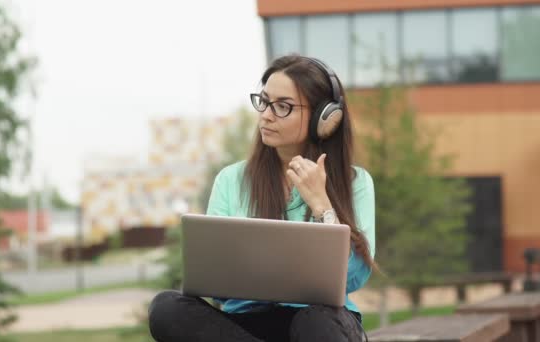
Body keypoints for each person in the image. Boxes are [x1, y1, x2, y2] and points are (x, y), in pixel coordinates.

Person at [148, 54, 376, 342]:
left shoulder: (356, 182)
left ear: (325, 118)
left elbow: (354, 277)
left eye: (283, 107)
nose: (266, 115)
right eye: (265, 102)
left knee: (315, 322)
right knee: (165, 308)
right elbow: (214, 286)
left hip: (320, 323)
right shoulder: (231, 180)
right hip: (243, 325)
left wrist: (322, 204)